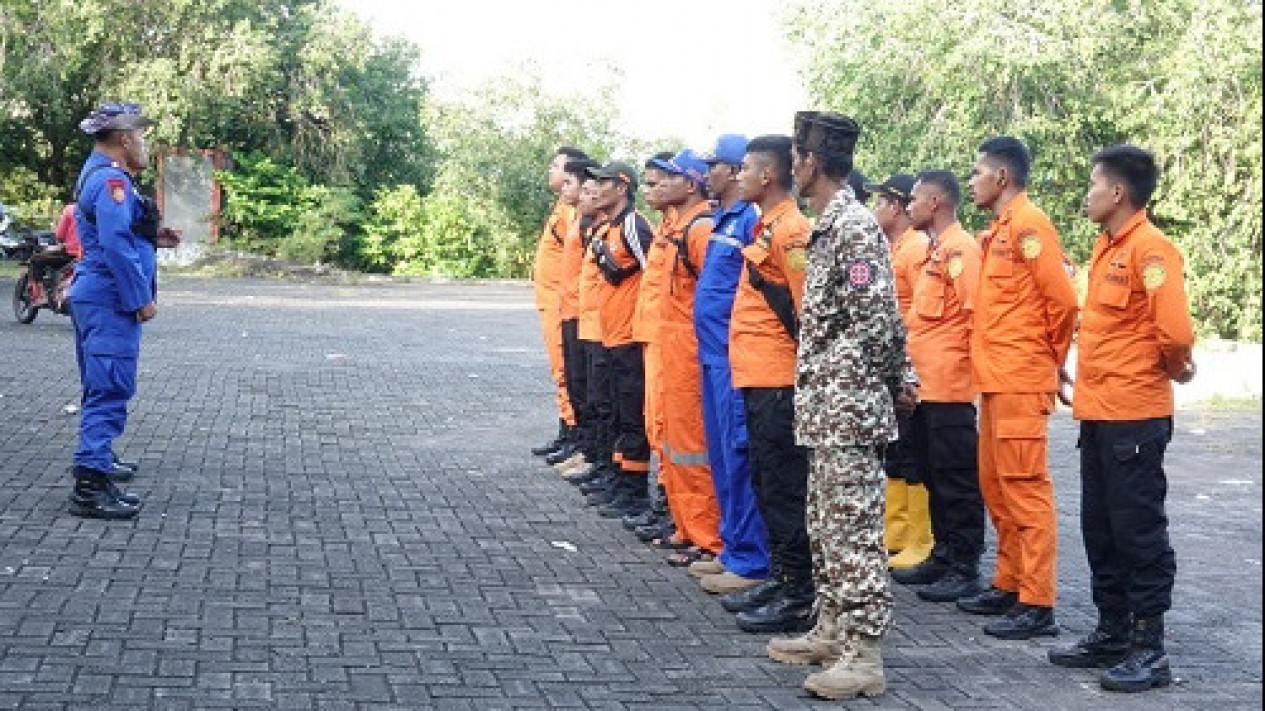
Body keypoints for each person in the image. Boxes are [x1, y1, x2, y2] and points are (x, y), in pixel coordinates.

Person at [766, 111, 914, 701]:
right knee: (826, 527)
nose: (793, 169)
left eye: (796, 159)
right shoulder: (830, 225)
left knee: (853, 533)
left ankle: (864, 655)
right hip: (827, 409)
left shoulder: (853, 227)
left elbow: (879, 320)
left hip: (849, 410)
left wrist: (893, 381)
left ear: (811, 163)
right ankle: (831, 631)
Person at [1048, 145, 1194, 693]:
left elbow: (1175, 333)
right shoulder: (1107, 246)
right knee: (1100, 529)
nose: (1086, 194)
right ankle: (1111, 632)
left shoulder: (1151, 249)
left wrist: (1176, 370)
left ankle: (1149, 649)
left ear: (1117, 192)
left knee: (1138, 533)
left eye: (1092, 184)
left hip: (1135, 415)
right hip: (1100, 414)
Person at [959, 136, 1079, 640]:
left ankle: (1036, 600)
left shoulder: (1030, 225)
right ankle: (1008, 583)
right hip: (995, 379)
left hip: (1019, 378)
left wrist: (1048, 360)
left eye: (977, 172)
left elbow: (1064, 302)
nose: (971, 182)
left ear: (1002, 177)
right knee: (997, 485)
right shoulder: (1001, 230)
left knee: (1025, 488)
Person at [67, 102, 180, 519]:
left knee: (100, 383)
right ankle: (89, 486)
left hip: (95, 294)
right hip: (110, 298)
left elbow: (111, 232)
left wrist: (155, 238)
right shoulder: (112, 180)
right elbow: (114, 245)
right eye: (141, 137)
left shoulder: (98, 174)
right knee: (111, 387)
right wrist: (139, 298)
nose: (144, 144)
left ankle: (100, 457)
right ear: (125, 139)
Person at [722, 135, 815, 628]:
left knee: (784, 488)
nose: (738, 176)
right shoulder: (767, 225)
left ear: (768, 175)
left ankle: (799, 593)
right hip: (758, 376)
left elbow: (805, 311)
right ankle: (782, 577)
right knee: (766, 481)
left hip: (780, 380)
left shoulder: (792, 231)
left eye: (745, 169)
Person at [891, 170, 988, 604]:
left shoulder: (960, 248)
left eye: (914, 199)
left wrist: (967, 376)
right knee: (931, 474)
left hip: (949, 387)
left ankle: (964, 564)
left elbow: (974, 315)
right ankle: (943, 554)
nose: (908, 206)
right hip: (924, 385)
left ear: (935, 202)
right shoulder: (934, 249)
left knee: (956, 479)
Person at [687, 134, 771, 589]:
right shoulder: (723, 219)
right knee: (721, 457)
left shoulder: (752, 222)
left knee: (740, 456)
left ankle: (751, 559)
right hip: (712, 354)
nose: (708, 174)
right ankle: (731, 544)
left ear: (737, 170)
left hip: (735, 358)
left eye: (714, 165)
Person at [645, 149, 724, 562]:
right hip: (672, 349)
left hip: (690, 353)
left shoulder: (701, 229)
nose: (661, 184)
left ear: (691, 185)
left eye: (670, 178)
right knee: (675, 443)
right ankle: (684, 525)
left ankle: (706, 537)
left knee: (694, 447)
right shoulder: (682, 226)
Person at [863, 173, 933, 568]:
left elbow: (924, 312)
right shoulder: (895, 248)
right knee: (896, 452)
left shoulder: (916, 248)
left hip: (915, 367)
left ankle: (918, 539)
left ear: (895, 207)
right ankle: (895, 533)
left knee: (913, 457)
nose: (875, 210)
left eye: (881, 203)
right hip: (894, 365)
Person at [584, 161, 655, 519]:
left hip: (630, 337)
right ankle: (618, 477)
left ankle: (634, 490)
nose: (597, 189)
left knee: (632, 414)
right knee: (615, 411)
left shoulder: (633, 225)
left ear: (622, 187)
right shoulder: (610, 227)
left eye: (604, 183)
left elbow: (653, 275)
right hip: (610, 336)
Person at [620, 152, 678, 534]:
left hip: (675, 344)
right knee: (657, 426)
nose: (650, 190)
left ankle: (676, 513)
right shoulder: (668, 226)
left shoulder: (697, 227)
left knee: (673, 432)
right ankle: (669, 507)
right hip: (652, 336)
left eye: (658, 182)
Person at [531, 146, 588, 464]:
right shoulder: (562, 207)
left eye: (558, 167)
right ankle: (566, 431)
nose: (551, 171)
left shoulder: (572, 212)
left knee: (567, 370)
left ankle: (574, 434)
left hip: (562, 303)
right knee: (560, 370)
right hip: (552, 301)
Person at [554, 157, 601, 481]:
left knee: (594, 394)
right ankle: (583, 449)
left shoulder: (593, 226)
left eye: (579, 186)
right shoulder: (578, 222)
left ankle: (592, 455)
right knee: (577, 385)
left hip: (592, 319)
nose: (569, 191)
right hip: (572, 312)